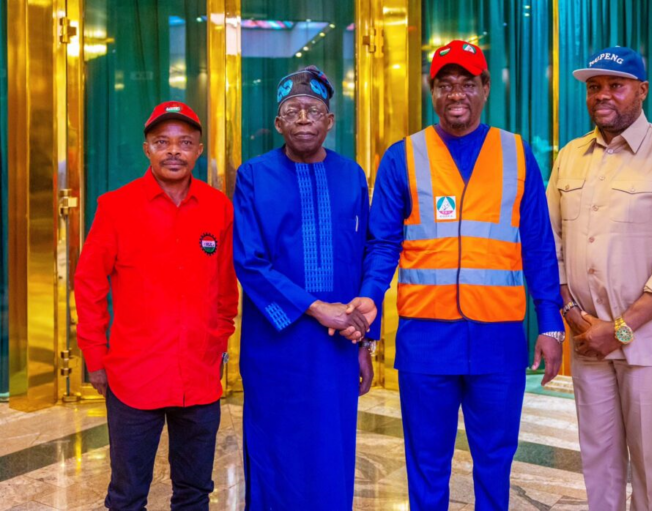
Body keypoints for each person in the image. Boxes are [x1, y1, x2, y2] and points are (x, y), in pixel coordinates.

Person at [350, 40, 565, 510]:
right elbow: (382, 244)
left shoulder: (516, 153)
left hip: (498, 340)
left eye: (467, 83)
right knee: (427, 461)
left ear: (485, 88)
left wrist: (550, 321)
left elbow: (539, 246)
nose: (456, 94)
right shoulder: (402, 157)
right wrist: (368, 303)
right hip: (426, 341)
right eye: (445, 85)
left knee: (495, 458)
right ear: (432, 91)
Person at [547, 46, 652, 511]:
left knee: (648, 461)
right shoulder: (570, 158)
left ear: (642, 91)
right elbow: (551, 246)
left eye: (615, 85)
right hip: (588, 340)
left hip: (648, 344)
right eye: (594, 87)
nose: (603, 95)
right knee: (597, 458)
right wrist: (578, 319)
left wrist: (618, 329)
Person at [75, 101, 239, 510]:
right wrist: (95, 356)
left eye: (185, 142)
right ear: (146, 148)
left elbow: (225, 289)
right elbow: (89, 284)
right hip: (134, 378)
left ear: (199, 150)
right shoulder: (116, 207)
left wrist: (217, 341)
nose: (174, 151)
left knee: (195, 492)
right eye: (162, 142)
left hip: (198, 378)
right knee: (128, 495)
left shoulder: (218, 206)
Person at [232, 65, 377, 510]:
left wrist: (364, 340)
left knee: (331, 449)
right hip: (276, 344)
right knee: (275, 447)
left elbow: (366, 252)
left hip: (337, 346)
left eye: (313, 109)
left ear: (330, 121)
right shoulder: (253, 175)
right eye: (291, 110)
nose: (303, 118)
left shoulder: (351, 175)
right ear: (278, 123)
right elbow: (249, 262)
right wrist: (317, 308)